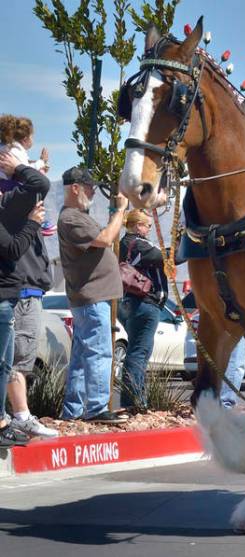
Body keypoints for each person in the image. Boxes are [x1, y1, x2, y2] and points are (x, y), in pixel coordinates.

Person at [57, 166, 129, 424]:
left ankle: (73, 410)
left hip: (90, 299)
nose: (93, 191)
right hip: (91, 299)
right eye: (89, 187)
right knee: (99, 352)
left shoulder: (78, 215)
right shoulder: (71, 219)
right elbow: (107, 238)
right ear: (75, 188)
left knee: (80, 358)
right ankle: (97, 408)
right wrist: (121, 210)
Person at [0, 146, 58, 439]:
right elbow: (12, 248)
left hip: (23, 290)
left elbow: (38, 184)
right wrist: (22, 170)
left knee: (12, 360)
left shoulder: (14, 206)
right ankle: (17, 416)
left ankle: (15, 417)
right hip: (15, 292)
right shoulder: (11, 206)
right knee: (10, 360)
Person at [117, 210, 167, 412]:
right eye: (147, 225)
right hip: (143, 302)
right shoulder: (136, 243)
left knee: (138, 351)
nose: (149, 229)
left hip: (131, 302)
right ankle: (133, 403)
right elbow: (165, 256)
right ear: (137, 226)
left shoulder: (125, 243)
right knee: (138, 352)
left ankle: (137, 399)